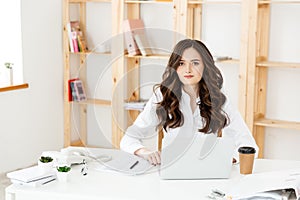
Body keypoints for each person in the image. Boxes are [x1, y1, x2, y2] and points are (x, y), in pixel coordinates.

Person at [120, 39, 258, 165]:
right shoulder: (163, 96)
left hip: (208, 171)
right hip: (172, 172)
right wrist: (145, 152)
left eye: (195, 63)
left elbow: (249, 145)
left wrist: (229, 157)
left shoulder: (218, 99)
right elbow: (128, 139)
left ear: (205, 66)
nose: (188, 70)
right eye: (181, 63)